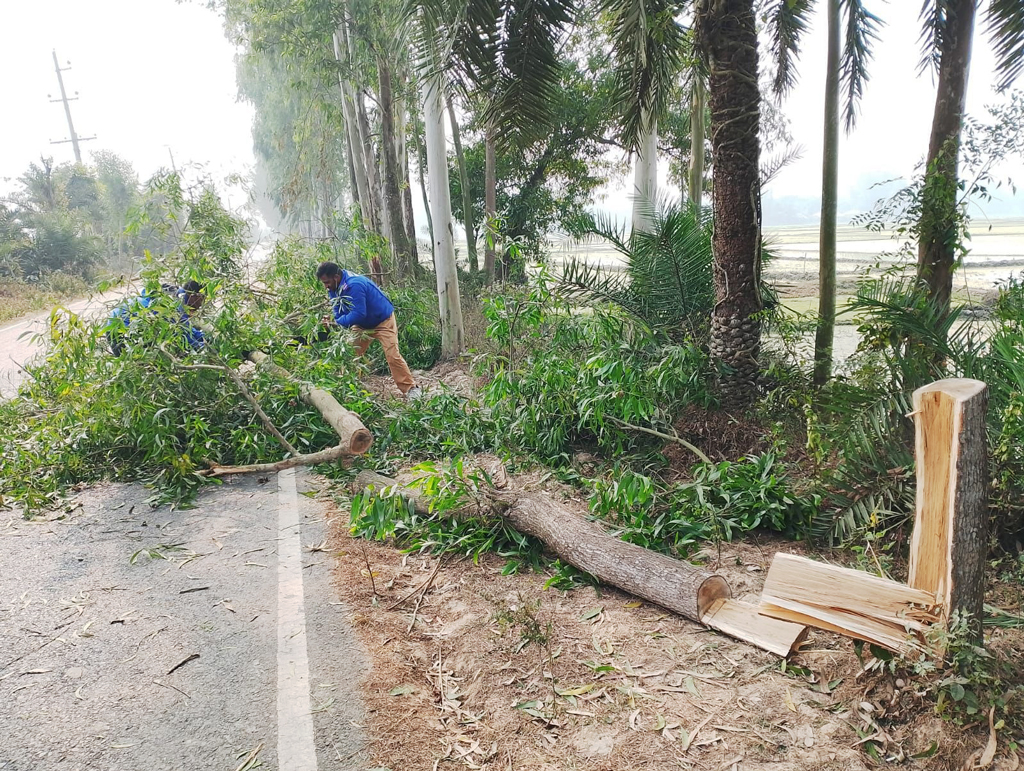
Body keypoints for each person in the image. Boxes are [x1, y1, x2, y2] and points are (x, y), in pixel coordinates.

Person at [315, 262, 421, 399]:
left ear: (336, 277)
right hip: (361, 325)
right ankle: (348, 387)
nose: (326, 286)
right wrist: (335, 320)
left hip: (383, 321)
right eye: (324, 283)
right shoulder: (333, 288)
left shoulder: (355, 285)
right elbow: (338, 311)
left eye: (327, 282)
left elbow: (358, 313)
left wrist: (337, 322)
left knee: (392, 355)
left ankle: (411, 389)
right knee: (351, 356)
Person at [107, 280, 206, 356]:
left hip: (118, 323)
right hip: (121, 329)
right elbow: (181, 333)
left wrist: (205, 337)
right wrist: (202, 346)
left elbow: (186, 327)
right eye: (202, 299)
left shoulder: (173, 293)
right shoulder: (173, 303)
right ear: (194, 296)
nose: (201, 305)